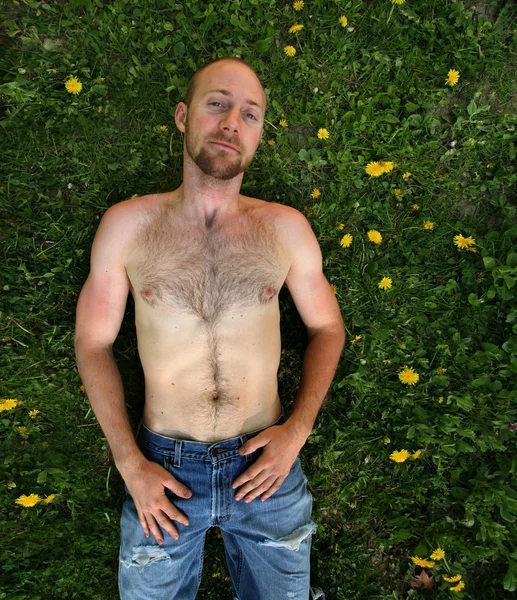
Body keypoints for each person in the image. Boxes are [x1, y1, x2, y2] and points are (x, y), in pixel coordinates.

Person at [74, 56, 345, 600]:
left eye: (249, 114)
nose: (231, 123)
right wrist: (130, 463)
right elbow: (93, 342)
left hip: (267, 463)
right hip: (163, 471)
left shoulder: (285, 228)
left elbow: (328, 328)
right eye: (217, 104)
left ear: (259, 135)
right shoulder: (128, 224)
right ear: (183, 116)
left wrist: (296, 432)